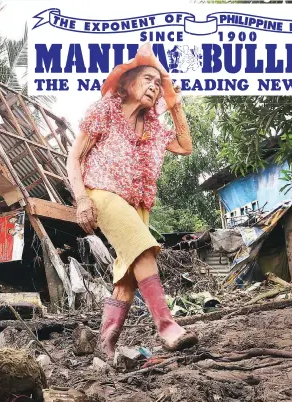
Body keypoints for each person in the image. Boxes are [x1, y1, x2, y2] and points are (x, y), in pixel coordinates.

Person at [66, 42, 198, 361]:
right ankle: (166, 326)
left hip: (137, 204)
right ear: (127, 83)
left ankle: (105, 345)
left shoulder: (153, 127)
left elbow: (185, 146)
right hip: (101, 192)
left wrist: (175, 104)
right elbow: (73, 158)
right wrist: (81, 200)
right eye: (147, 79)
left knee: (126, 280)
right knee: (143, 248)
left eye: (158, 82)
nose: (154, 86)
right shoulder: (104, 111)